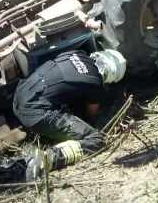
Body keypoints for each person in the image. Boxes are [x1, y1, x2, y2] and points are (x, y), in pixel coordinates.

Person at [13, 49, 127, 181]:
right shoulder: (95, 82)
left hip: (20, 96)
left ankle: (40, 146)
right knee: (95, 140)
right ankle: (46, 159)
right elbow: (90, 115)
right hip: (34, 112)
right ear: (111, 75)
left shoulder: (76, 53)